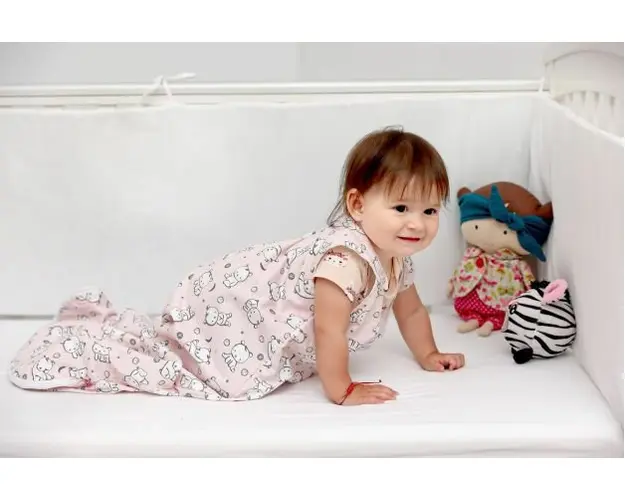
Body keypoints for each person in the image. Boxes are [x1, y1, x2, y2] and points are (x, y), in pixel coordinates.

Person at [8, 127, 465, 406]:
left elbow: (410, 310)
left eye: (429, 211)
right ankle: (90, 343)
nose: (417, 223)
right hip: (233, 309)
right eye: (401, 208)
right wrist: (342, 388)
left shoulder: (395, 258)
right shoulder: (344, 262)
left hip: (245, 300)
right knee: (200, 368)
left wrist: (428, 354)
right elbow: (328, 330)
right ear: (357, 205)